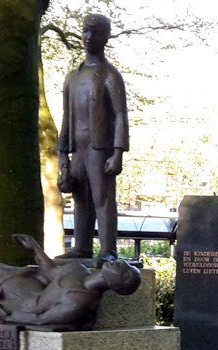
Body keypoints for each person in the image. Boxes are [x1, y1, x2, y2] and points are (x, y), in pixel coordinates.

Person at [56, 13, 128, 264]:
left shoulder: (110, 75)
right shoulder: (72, 78)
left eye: (95, 32)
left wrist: (118, 151)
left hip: (101, 146)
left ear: (106, 36)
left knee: (103, 198)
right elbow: (66, 117)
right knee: (81, 198)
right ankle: (82, 246)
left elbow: (120, 115)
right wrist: (62, 153)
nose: (88, 37)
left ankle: (108, 249)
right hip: (78, 146)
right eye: (86, 31)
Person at [0, 234, 141, 330]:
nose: (121, 264)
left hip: (28, 307)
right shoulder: (79, 270)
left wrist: (7, 316)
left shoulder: (79, 302)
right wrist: (34, 247)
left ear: (117, 287)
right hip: (34, 292)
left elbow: (42, 318)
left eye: (125, 273)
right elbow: (51, 271)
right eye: (124, 264)